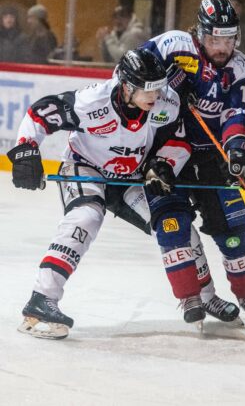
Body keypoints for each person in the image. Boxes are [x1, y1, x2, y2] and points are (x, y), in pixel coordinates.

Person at [8, 49, 185, 339]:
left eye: (159, 86)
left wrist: (163, 165)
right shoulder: (93, 102)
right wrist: (27, 150)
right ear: (126, 85)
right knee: (85, 217)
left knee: (174, 223)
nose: (156, 94)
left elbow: (174, 140)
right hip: (85, 166)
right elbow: (40, 113)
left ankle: (202, 295)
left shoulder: (167, 102)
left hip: (130, 177)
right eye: (148, 87)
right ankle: (42, 298)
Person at [140, 0, 245, 325]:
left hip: (211, 154)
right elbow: (130, 72)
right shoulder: (173, 45)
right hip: (165, 151)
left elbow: (236, 115)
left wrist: (238, 149)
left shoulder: (240, 67)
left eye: (229, 39)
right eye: (215, 39)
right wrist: (165, 76)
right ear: (199, 33)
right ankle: (192, 298)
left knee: (233, 229)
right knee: (173, 225)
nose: (222, 47)